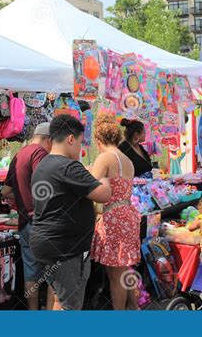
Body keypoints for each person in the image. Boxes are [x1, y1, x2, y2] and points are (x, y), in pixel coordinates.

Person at [30, 114, 112, 310]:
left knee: (61, 299)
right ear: (70, 139)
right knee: (71, 305)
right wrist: (104, 178)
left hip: (47, 243)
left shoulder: (44, 164)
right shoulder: (68, 166)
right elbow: (103, 194)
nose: (80, 149)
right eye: (80, 143)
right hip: (65, 247)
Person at [89, 113, 141, 310]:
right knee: (124, 268)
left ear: (97, 139)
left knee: (114, 275)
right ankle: (133, 308)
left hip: (113, 217)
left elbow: (89, 185)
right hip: (127, 213)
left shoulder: (105, 157)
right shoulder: (126, 159)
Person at [2, 122, 54, 310]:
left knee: (31, 272)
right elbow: (45, 185)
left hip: (25, 223)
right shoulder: (40, 153)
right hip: (42, 222)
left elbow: (6, 191)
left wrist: (23, 199)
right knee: (52, 273)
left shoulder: (19, 154)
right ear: (49, 140)